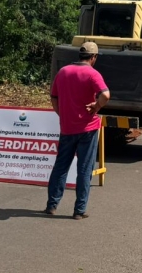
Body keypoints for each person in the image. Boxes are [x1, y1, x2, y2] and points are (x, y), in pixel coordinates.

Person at [43, 42, 110, 220]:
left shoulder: (63, 72)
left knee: (61, 167)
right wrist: (96, 106)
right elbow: (105, 95)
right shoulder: (92, 73)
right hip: (87, 128)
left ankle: (52, 205)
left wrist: (61, 114)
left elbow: (53, 96)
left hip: (67, 128)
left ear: (80, 55)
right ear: (93, 57)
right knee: (84, 169)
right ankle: (79, 210)